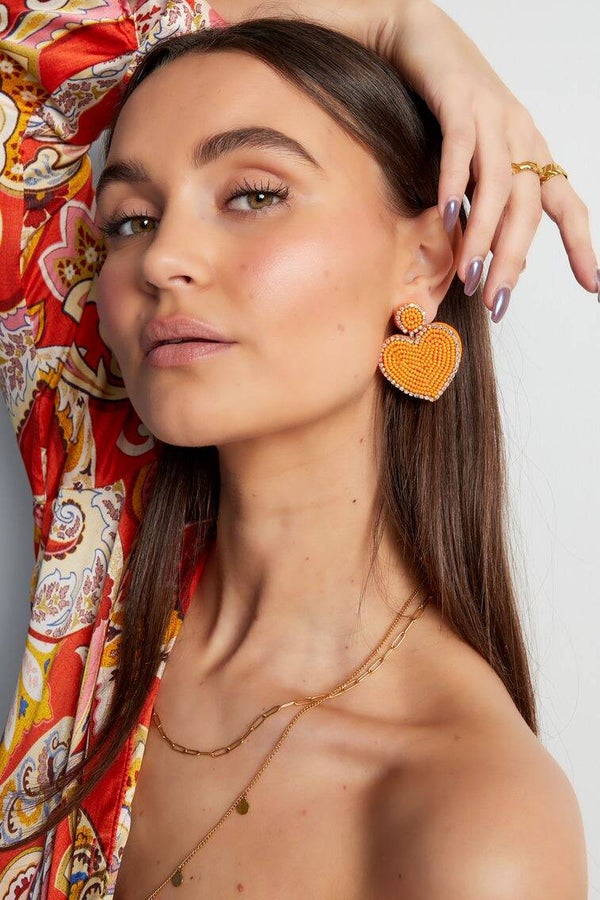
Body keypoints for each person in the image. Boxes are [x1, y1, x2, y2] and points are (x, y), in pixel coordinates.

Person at [0, 2, 592, 898]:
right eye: (130, 220)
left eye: (253, 195)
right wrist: (399, 20)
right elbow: (32, 49)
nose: (161, 259)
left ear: (426, 262)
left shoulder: (474, 825)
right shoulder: (94, 536)